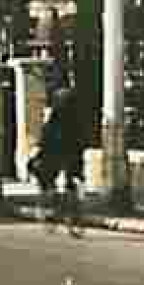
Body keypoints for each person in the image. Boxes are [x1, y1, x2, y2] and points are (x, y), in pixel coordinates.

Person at [34, 88, 85, 234]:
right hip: (66, 156)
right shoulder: (75, 119)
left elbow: (45, 140)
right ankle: (68, 212)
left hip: (58, 156)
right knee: (70, 183)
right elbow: (81, 140)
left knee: (52, 183)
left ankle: (56, 208)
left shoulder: (54, 119)